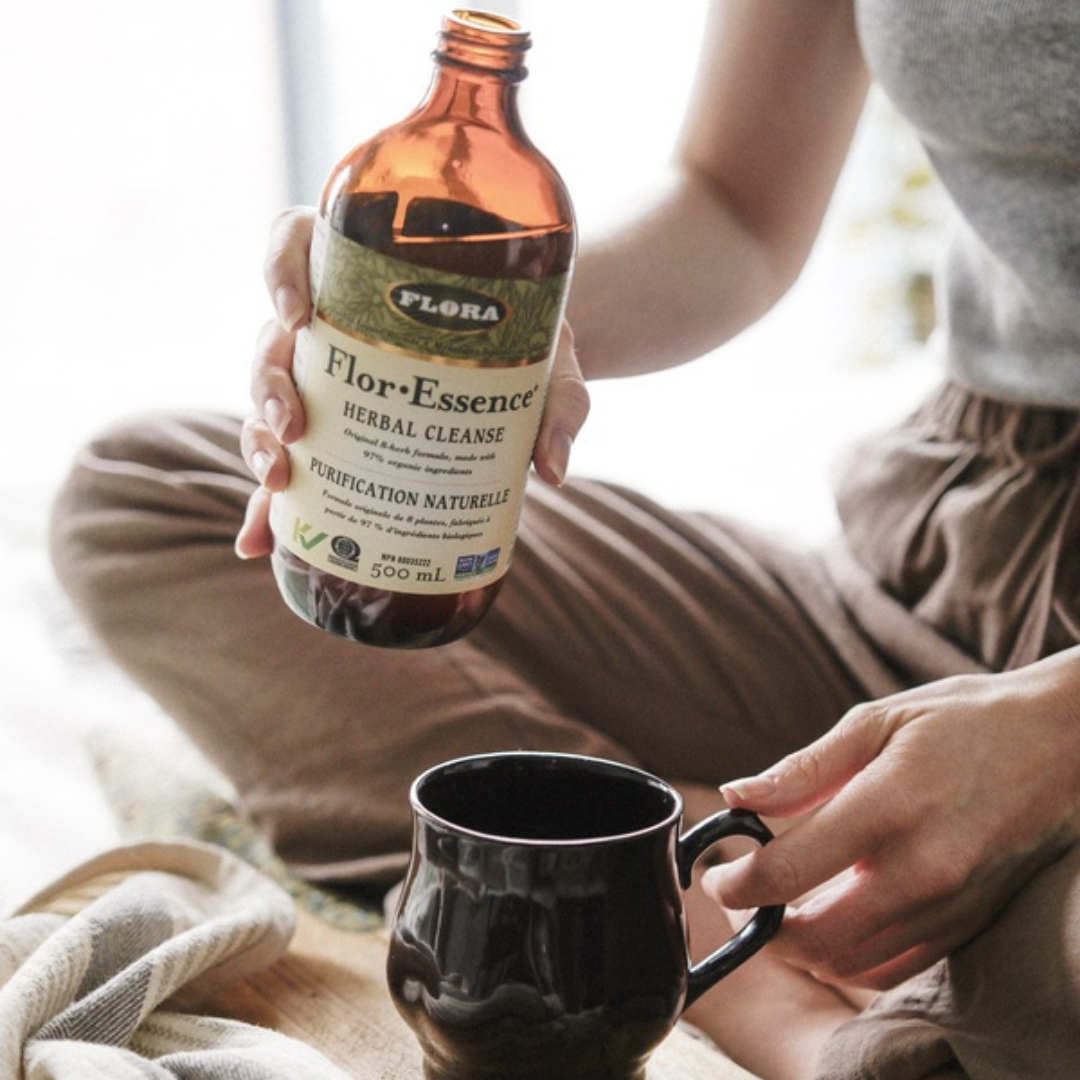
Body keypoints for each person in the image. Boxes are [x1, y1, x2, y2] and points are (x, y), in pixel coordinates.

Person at [50, 2, 1080, 1078]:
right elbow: (733, 208)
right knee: (152, 492)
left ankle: (820, 974)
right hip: (955, 529)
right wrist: (471, 314)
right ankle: (699, 912)